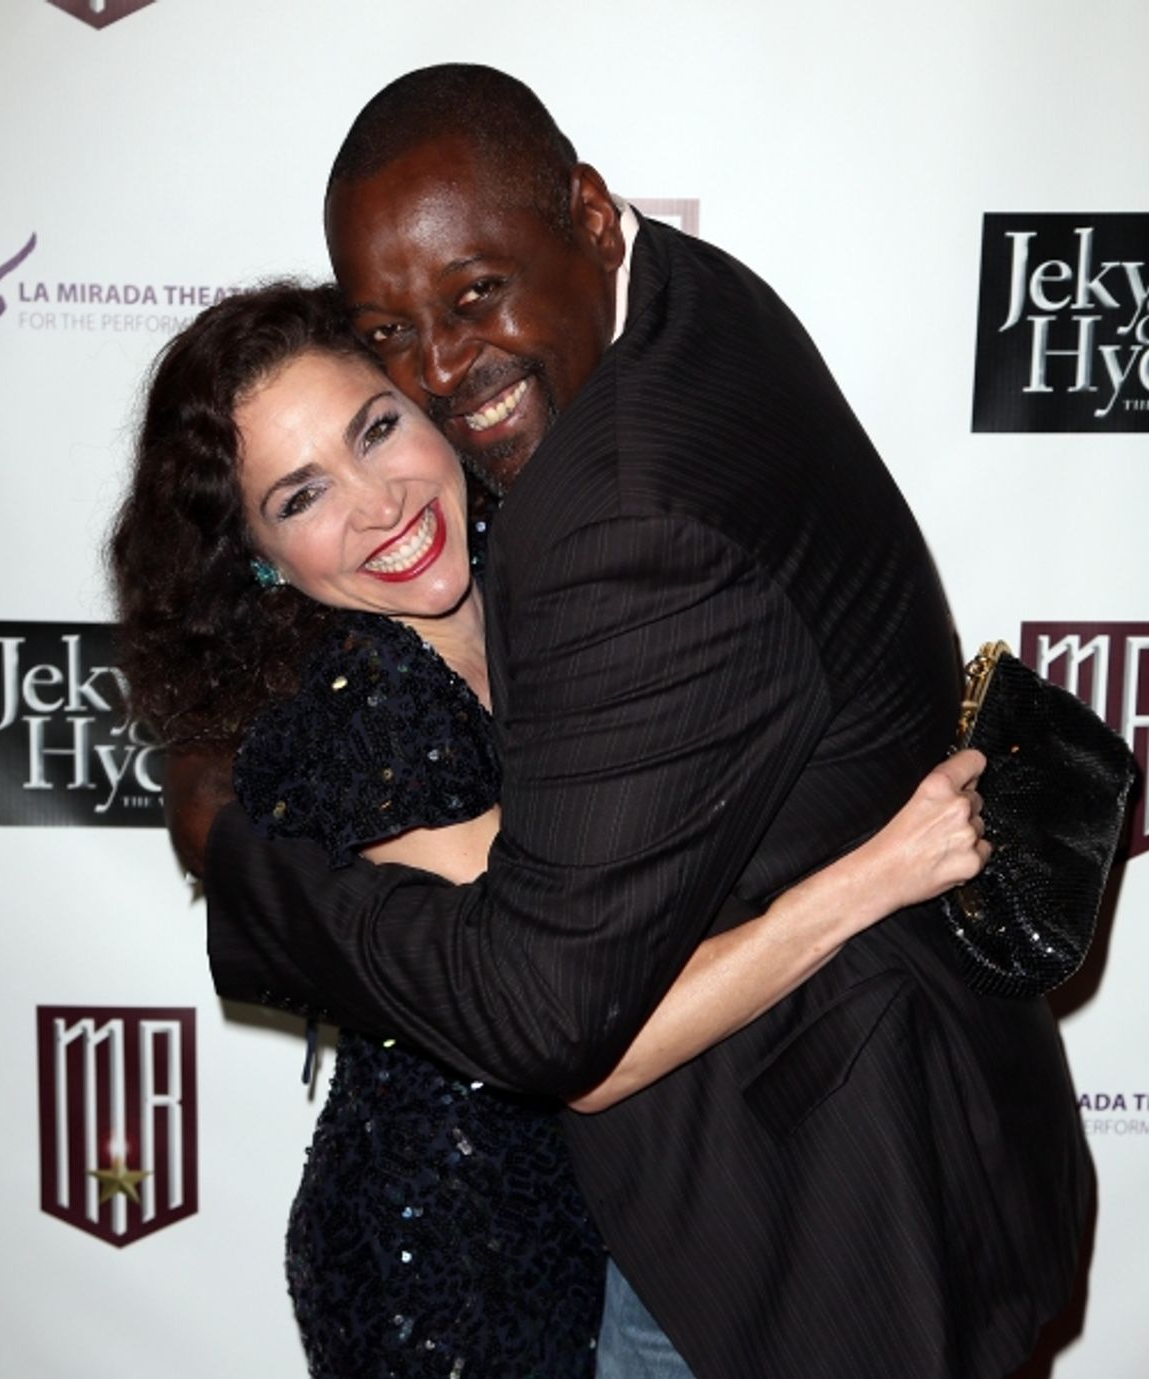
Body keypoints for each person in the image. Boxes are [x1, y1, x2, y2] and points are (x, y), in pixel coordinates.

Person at [168, 66, 1091, 1379]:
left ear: (595, 223)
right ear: (261, 557)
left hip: (698, 1219)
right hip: (466, 1266)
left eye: (381, 422)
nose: (378, 497)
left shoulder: (575, 526)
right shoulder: (365, 721)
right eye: (303, 495)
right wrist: (870, 879)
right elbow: (578, 1040)